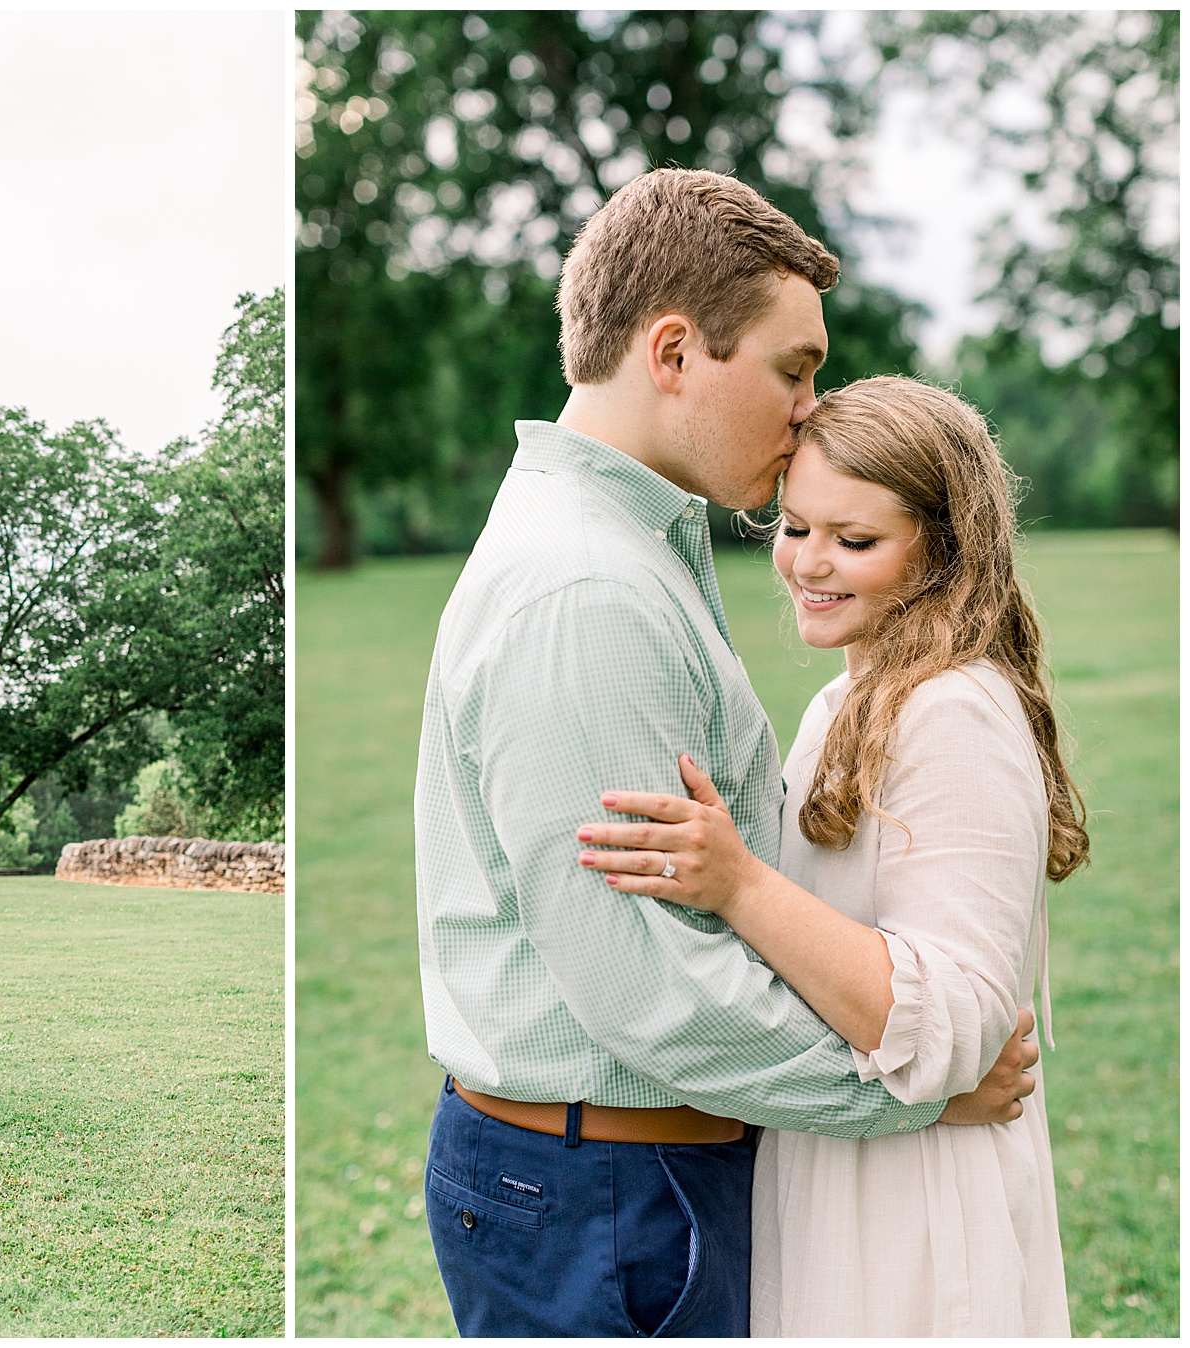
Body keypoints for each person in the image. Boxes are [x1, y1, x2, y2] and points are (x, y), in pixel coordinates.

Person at [413, 167, 1034, 1338]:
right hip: (608, 1195)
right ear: (674, 351)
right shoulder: (587, 588)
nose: (812, 406)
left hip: (627, 1179)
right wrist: (917, 1091)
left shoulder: (636, 542)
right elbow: (649, 995)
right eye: (793, 369)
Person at [578, 376, 1080, 1334]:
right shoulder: (839, 706)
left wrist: (738, 883)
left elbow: (957, 1028)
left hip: (914, 1215)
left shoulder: (952, 713)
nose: (809, 563)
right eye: (794, 525)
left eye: (856, 541)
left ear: (942, 551)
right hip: (837, 1162)